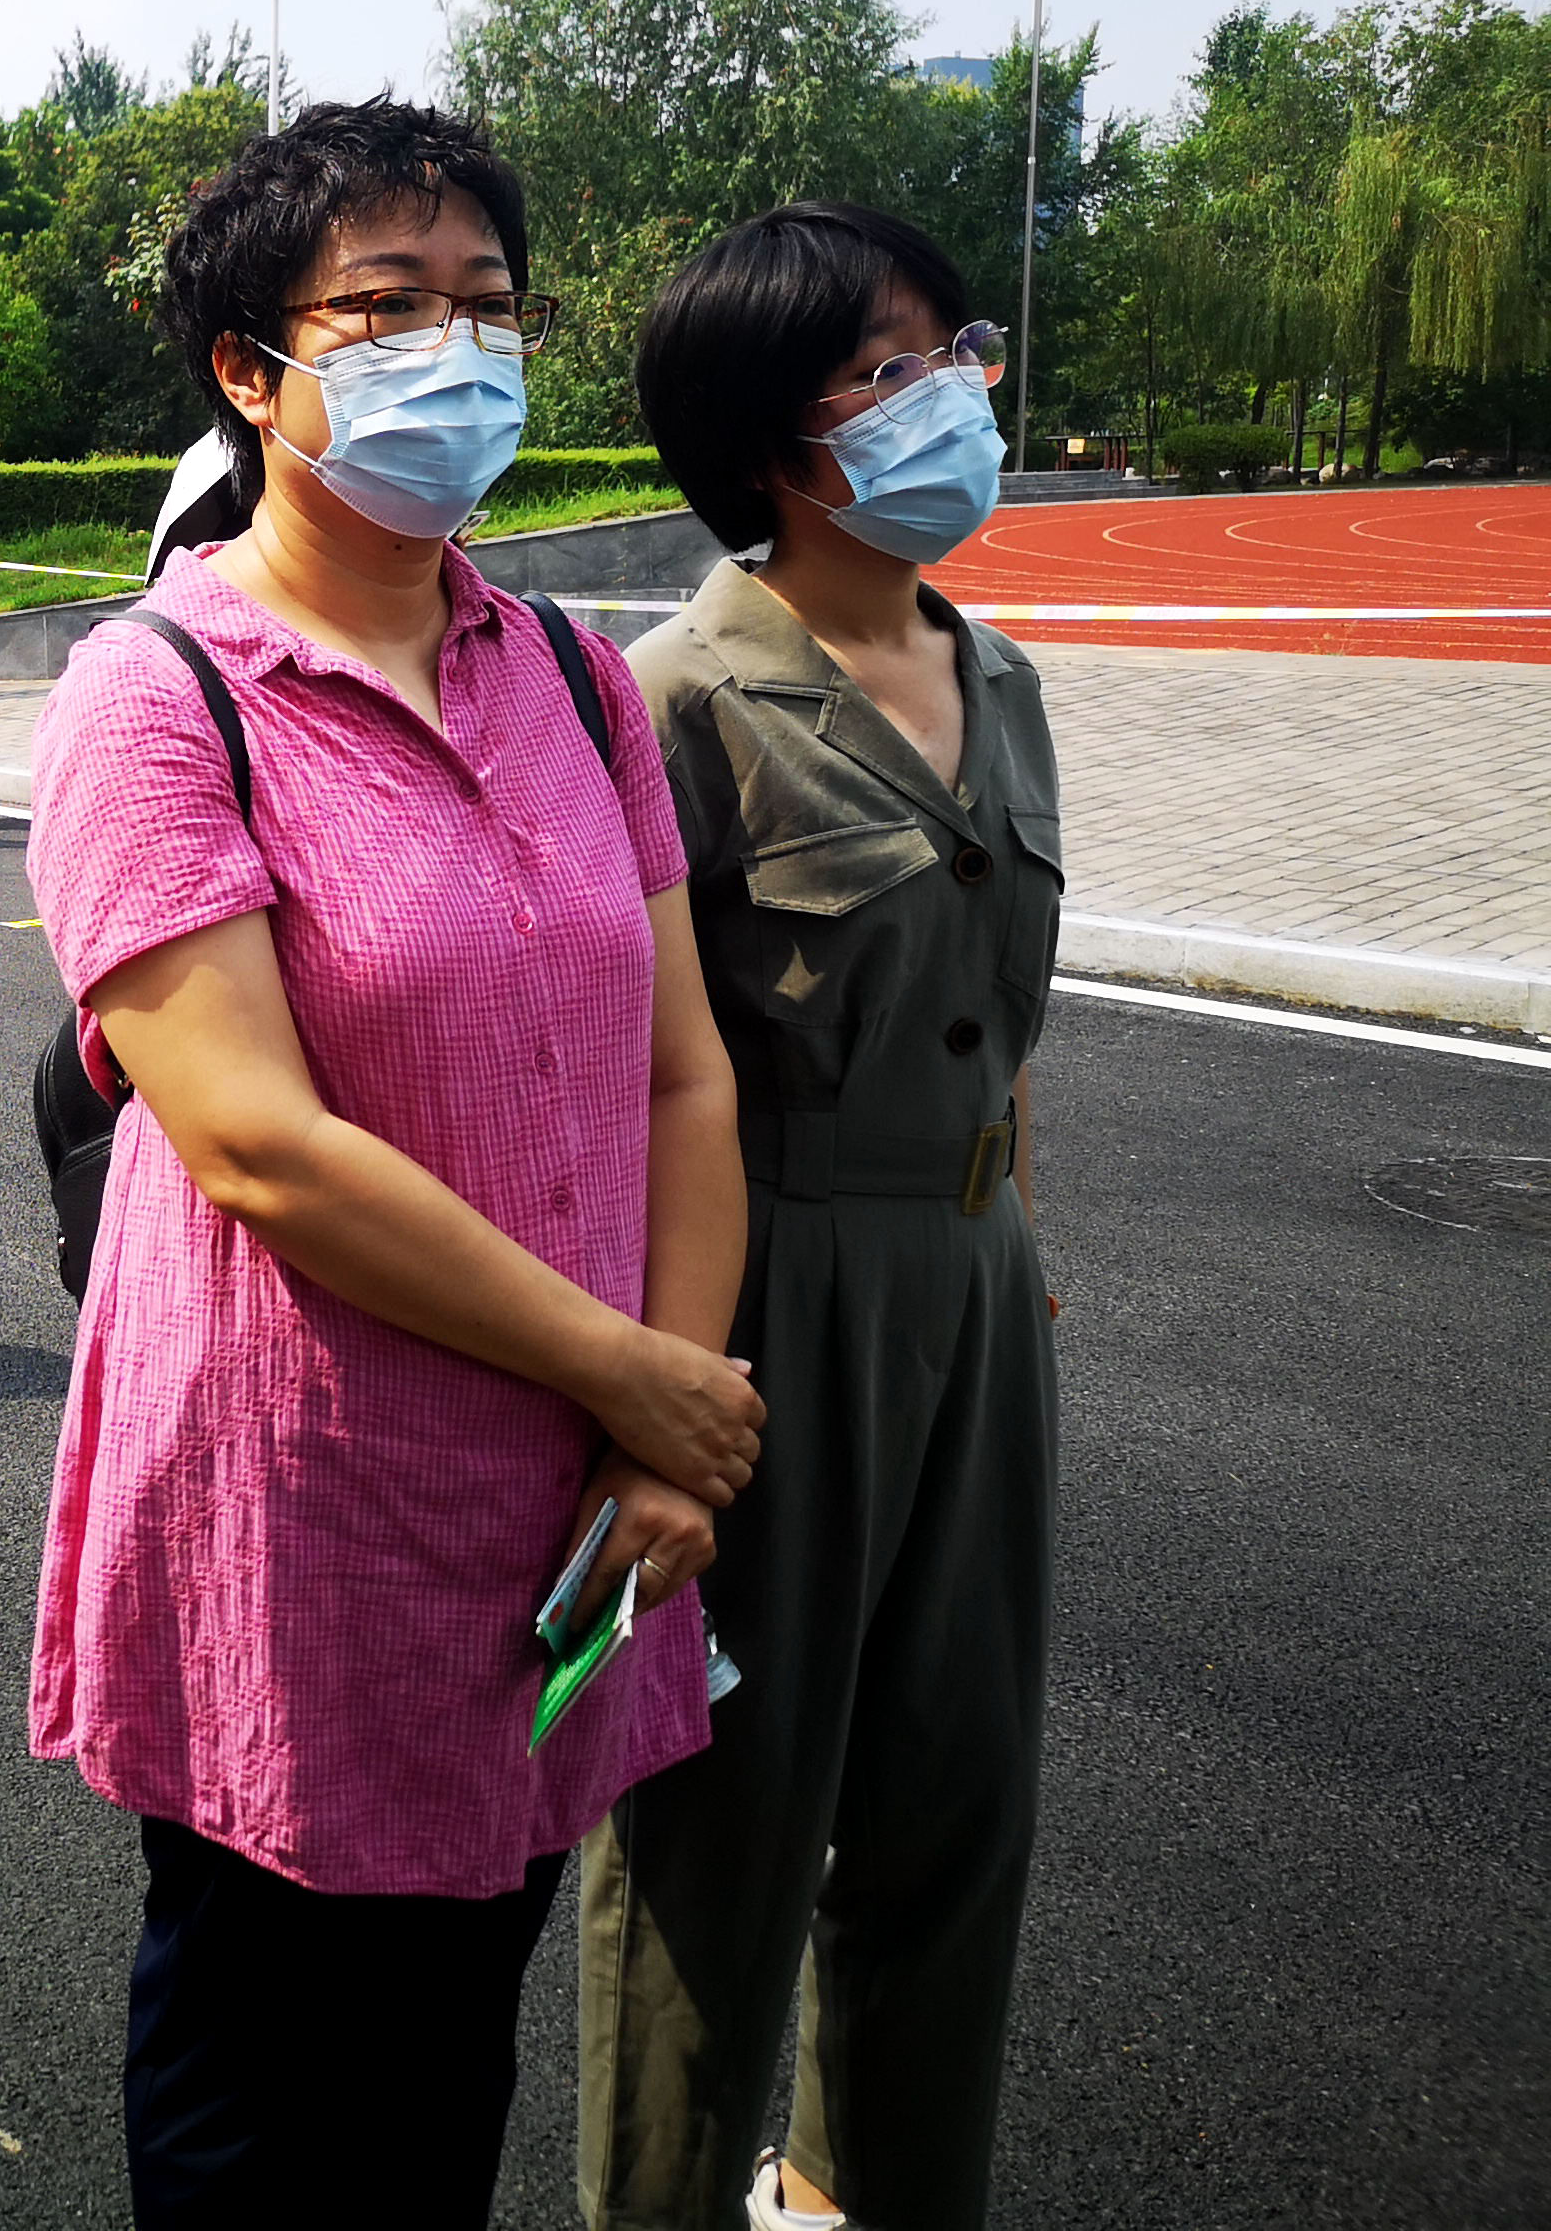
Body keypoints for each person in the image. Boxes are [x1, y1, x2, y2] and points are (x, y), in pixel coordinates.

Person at [23, 99, 761, 2227]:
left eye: (491, 306)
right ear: (253, 370)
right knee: (272, 2076)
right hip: (303, 1500)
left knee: (451, 2056)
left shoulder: (573, 677)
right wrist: (630, 1376)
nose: (462, 349)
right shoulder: (159, 697)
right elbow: (255, 1142)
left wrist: (661, 1431)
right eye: (395, 307)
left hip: (553, 1501)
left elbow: (681, 1079)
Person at [577, 208, 1062, 2231]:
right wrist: (649, 1408)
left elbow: (990, 1017)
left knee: (962, 1799)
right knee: (724, 1831)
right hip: (767, 1302)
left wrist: (1016, 1250)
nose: (959, 388)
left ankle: (865, 2191)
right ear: (783, 442)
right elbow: (635, 1087)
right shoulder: (674, 698)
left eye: (951, 345)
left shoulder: (998, 670)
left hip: (977, 1291)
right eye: (896, 365)